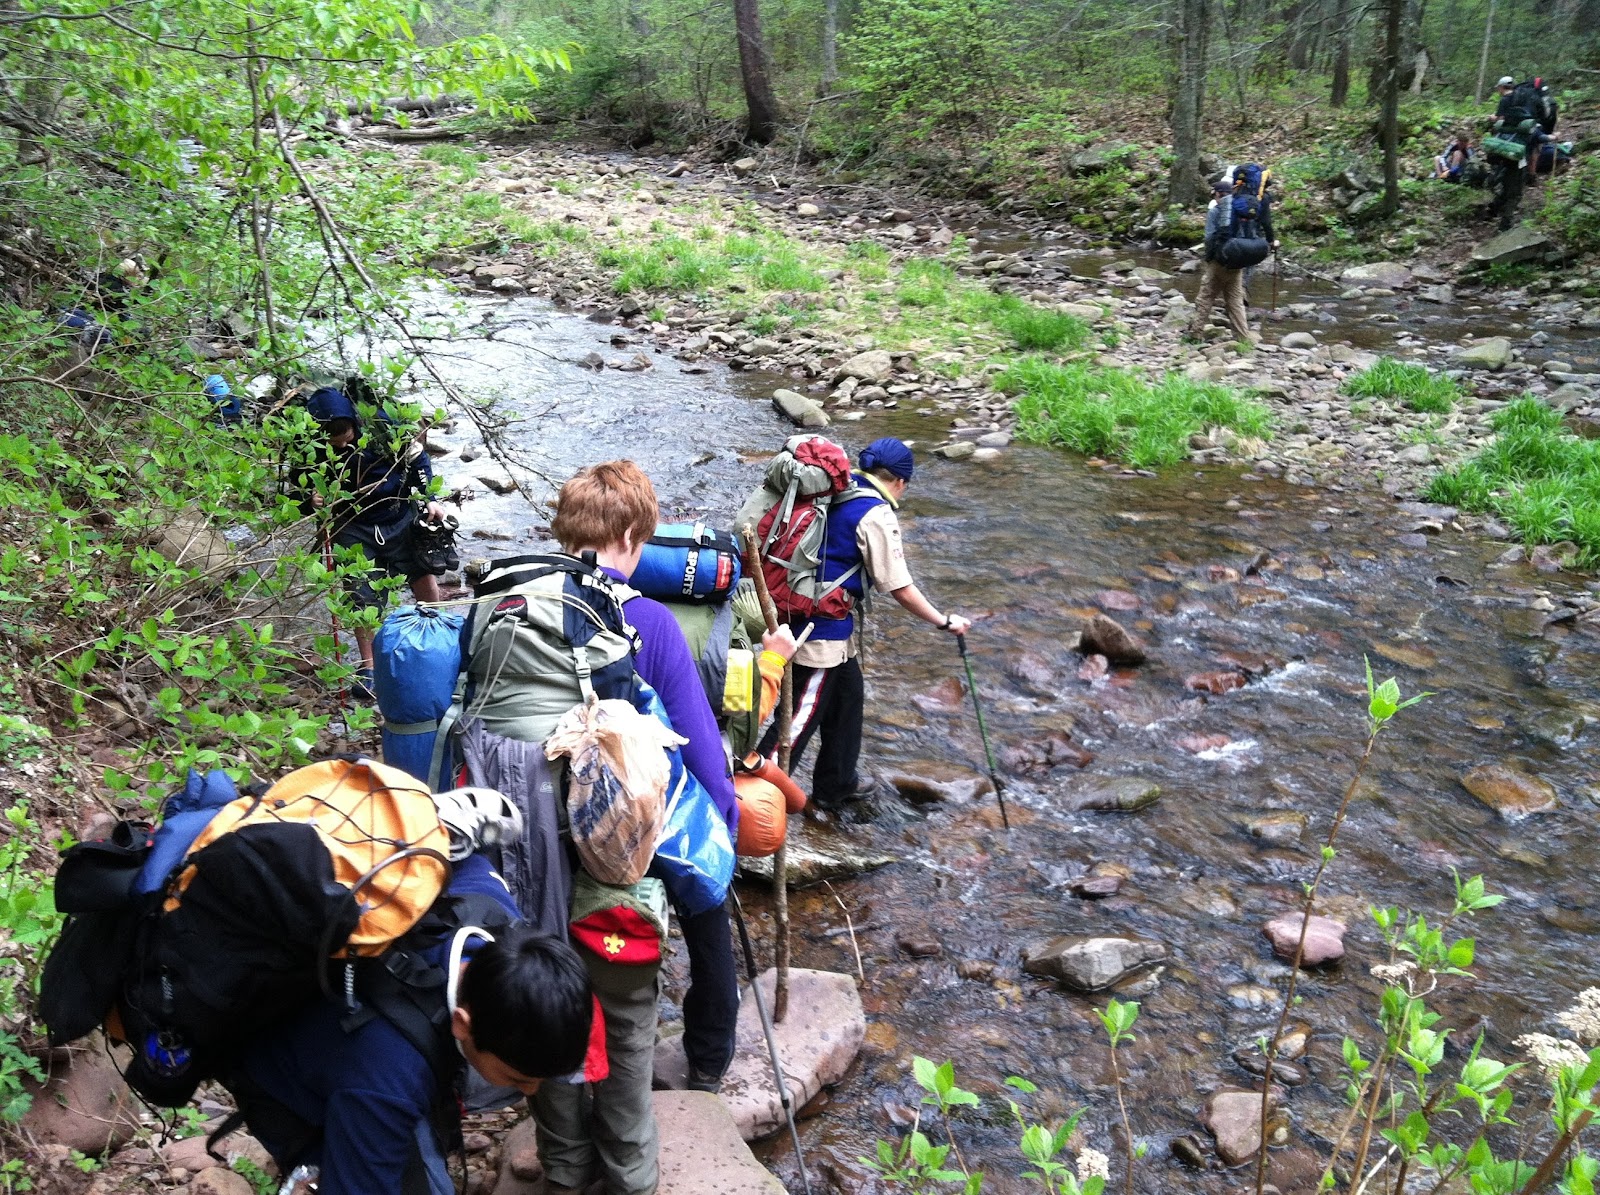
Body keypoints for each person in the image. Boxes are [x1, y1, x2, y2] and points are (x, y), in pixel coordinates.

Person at [537, 460, 745, 1193]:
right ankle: (706, 1063)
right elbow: (697, 747)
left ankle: (562, 1161)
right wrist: (725, 824)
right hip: (619, 849)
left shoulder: (515, 608)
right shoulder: (648, 621)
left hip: (532, 844)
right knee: (634, 1003)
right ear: (633, 534)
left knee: (552, 1002)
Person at [231, 849, 595, 1195]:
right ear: (462, 1024)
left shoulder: (493, 917)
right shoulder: (388, 1081)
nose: (530, 1092)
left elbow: (471, 860)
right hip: (276, 1065)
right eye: (519, 1079)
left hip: (351, 1034)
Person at [757, 438, 970, 813]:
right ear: (900, 482)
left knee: (848, 699)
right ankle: (751, 793)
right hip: (818, 636)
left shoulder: (839, 490)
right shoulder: (875, 512)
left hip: (807, 622)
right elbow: (900, 587)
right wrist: (943, 621)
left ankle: (836, 785)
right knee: (795, 722)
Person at [293, 384, 449, 692]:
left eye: (346, 430)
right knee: (360, 593)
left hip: (398, 512)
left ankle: (436, 639)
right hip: (350, 524)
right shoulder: (308, 446)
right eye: (334, 435)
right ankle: (370, 668)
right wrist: (311, 499)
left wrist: (430, 497)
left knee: (422, 571)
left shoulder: (380, 426)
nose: (343, 439)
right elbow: (298, 486)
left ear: (353, 420)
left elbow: (418, 460)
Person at [1186, 179, 1270, 343]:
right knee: (1235, 302)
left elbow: (1209, 238)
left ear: (1217, 194)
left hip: (1219, 262)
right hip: (1238, 262)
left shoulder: (1216, 211)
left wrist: (1209, 258)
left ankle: (1195, 335)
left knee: (1205, 297)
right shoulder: (1241, 211)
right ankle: (1242, 338)